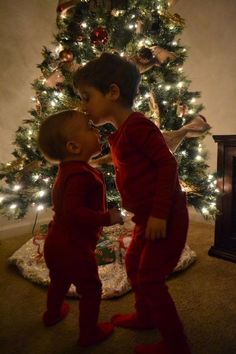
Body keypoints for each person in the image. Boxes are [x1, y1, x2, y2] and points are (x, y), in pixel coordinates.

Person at [73, 53, 192, 354]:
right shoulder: (121, 132)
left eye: (87, 97)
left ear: (112, 92)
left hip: (165, 217)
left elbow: (168, 166)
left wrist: (160, 215)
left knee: (151, 277)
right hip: (145, 217)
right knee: (133, 264)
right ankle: (146, 316)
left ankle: (177, 345)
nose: (83, 106)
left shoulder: (139, 127)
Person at [37, 109, 123, 346]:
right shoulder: (80, 176)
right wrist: (107, 218)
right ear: (74, 147)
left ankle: (52, 314)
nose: (96, 130)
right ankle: (89, 334)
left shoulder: (69, 170)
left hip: (57, 243)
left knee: (59, 281)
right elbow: (74, 212)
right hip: (73, 248)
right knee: (92, 289)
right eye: (89, 128)